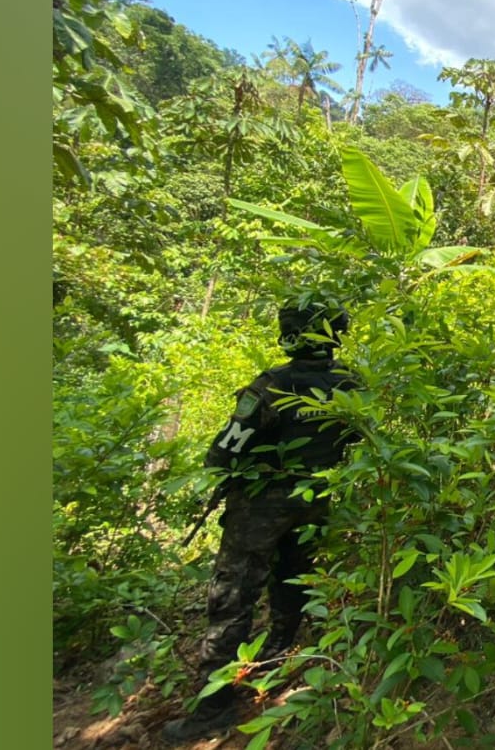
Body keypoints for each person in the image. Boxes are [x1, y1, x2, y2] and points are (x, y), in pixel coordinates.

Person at [163, 300, 363, 744]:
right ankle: (274, 663)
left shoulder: (272, 386)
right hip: (318, 502)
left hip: (260, 508)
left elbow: (225, 451)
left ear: (291, 333)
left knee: (233, 599)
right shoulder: (353, 383)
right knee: (294, 581)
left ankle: (213, 705)